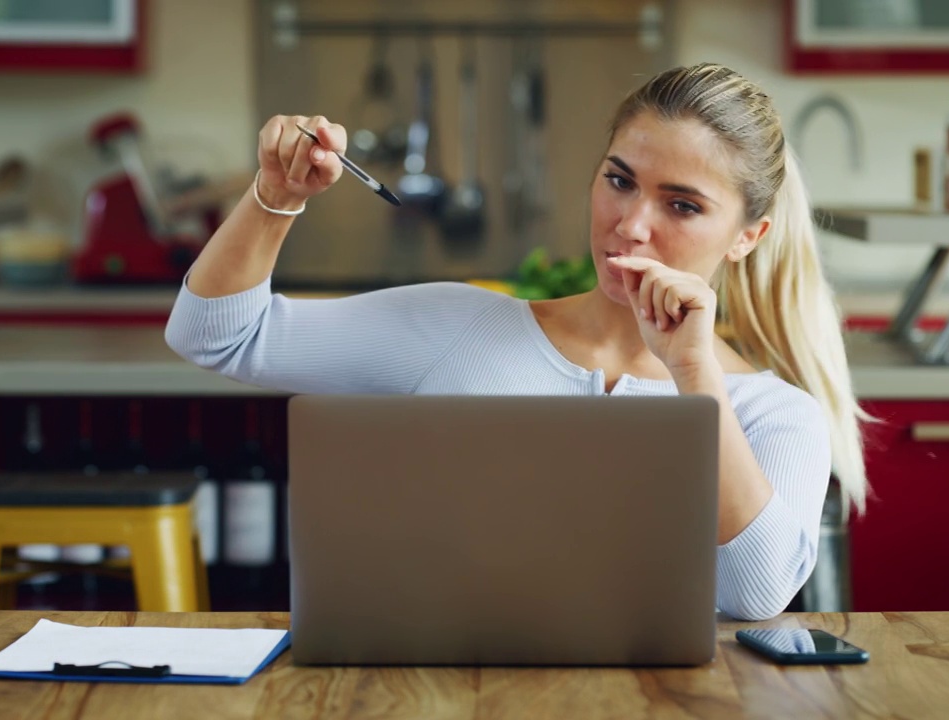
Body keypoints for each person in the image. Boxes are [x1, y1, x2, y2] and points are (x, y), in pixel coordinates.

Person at [166, 63, 869, 621]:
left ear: (749, 236)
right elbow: (220, 337)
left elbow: (755, 595)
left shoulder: (775, 416)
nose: (631, 225)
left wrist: (693, 371)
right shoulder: (459, 329)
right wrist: (274, 196)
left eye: (681, 204)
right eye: (619, 181)